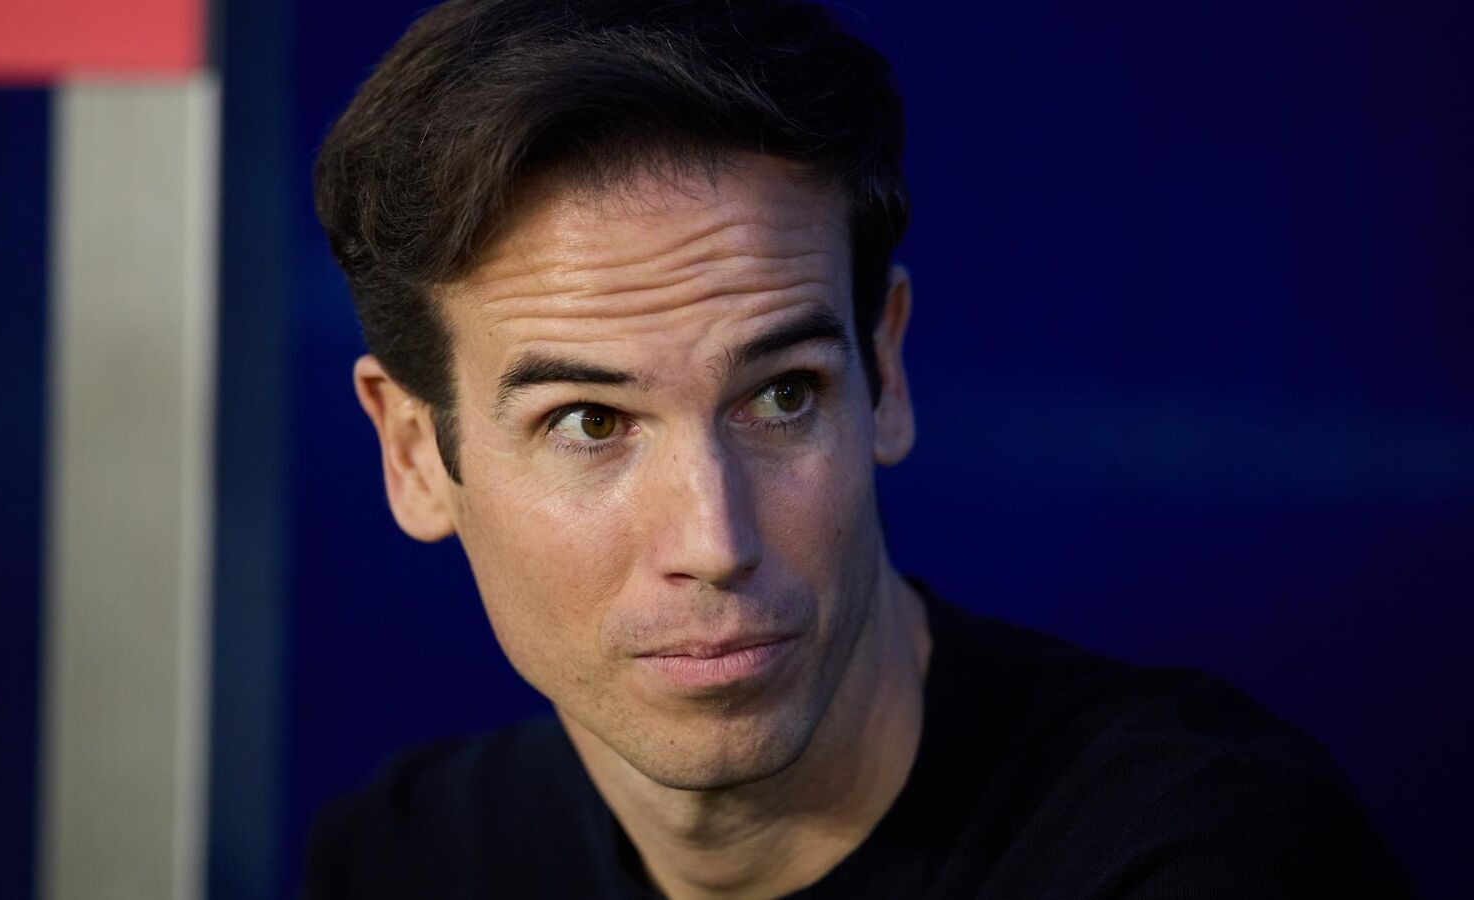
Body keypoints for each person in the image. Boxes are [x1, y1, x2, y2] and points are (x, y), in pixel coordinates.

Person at [303, 1, 1413, 896]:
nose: (715, 540)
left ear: (885, 373)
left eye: (782, 395)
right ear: (413, 452)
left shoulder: (1209, 856)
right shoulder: (403, 860)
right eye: (590, 422)